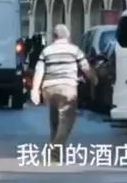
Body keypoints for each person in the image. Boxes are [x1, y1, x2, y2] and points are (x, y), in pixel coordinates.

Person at [31, 24, 96, 159]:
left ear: (54, 36)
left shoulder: (46, 51)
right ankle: (55, 150)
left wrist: (35, 90)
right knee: (67, 121)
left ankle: (52, 147)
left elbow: (39, 71)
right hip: (68, 89)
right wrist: (94, 79)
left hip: (49, 89)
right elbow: (85, 67)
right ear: (68, 36)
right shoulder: (74, 50)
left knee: (54, 120)